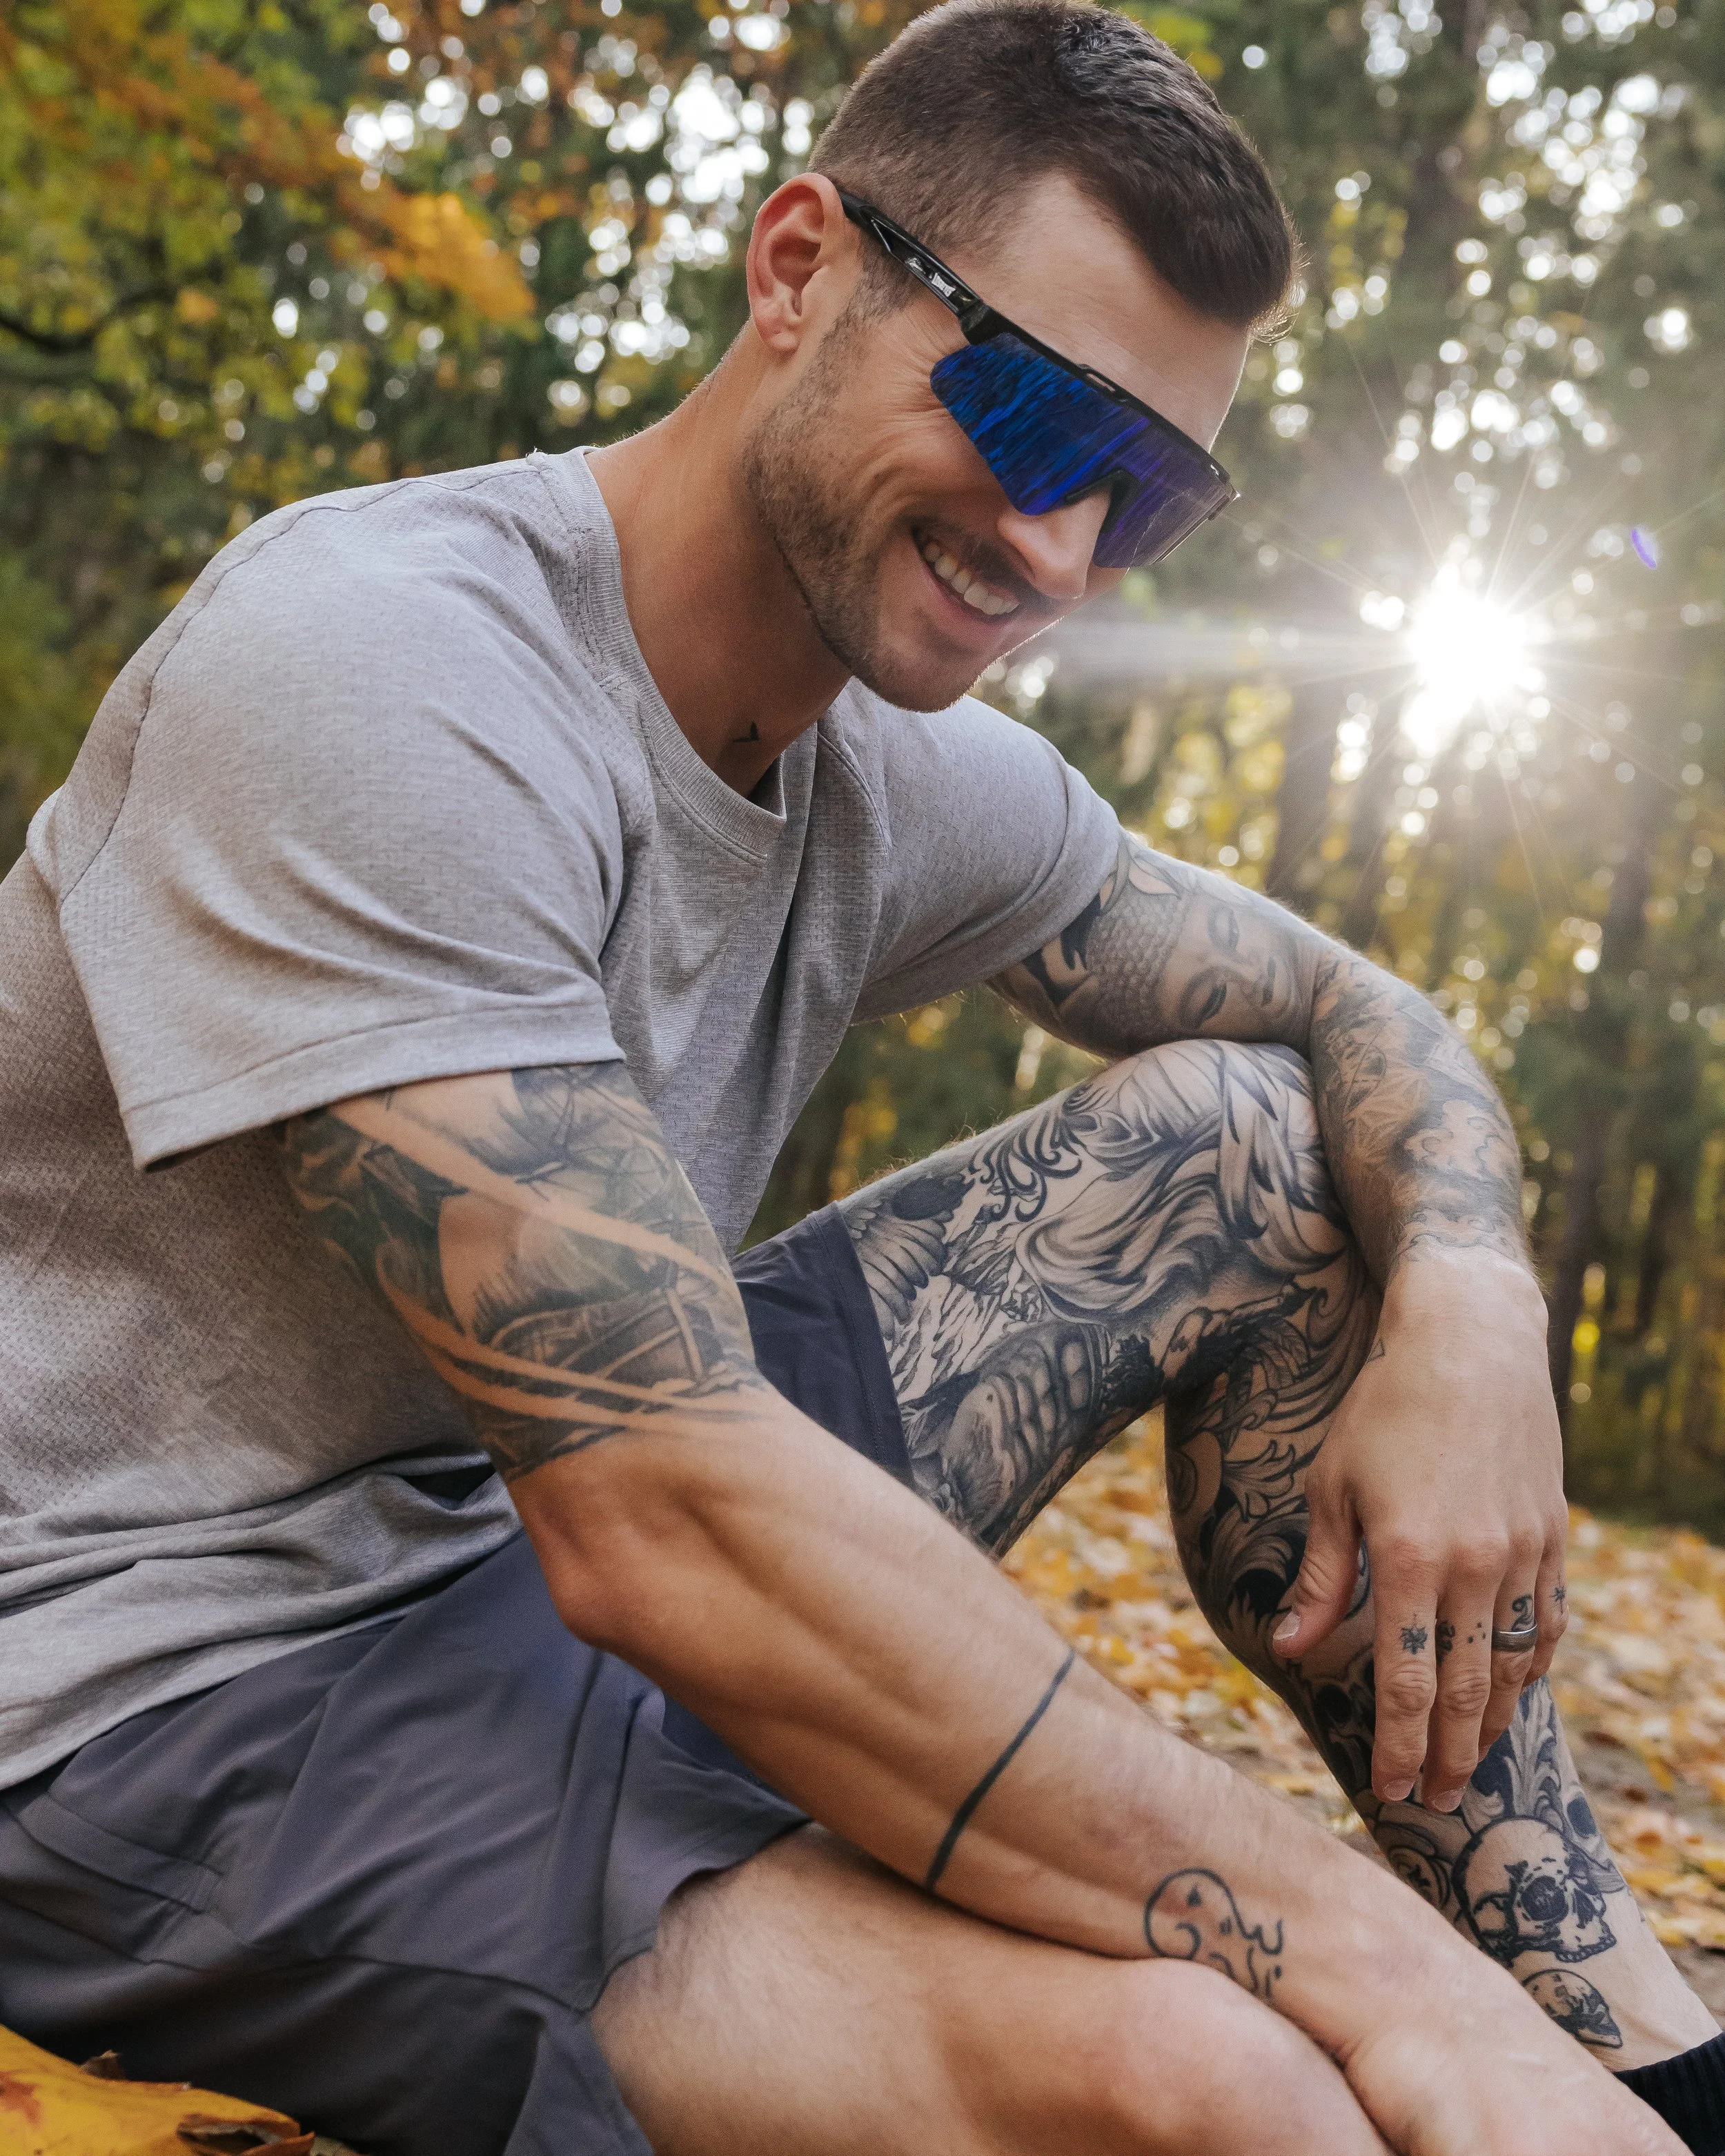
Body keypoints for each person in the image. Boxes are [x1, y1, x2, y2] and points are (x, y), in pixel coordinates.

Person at [1, 3, 1721, 2150]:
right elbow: (662, 1522)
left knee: (1259, 1148)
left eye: (1149, 488)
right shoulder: (380, 670)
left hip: (528, 1540)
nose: (1066, 548)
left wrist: (1474, 1297)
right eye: (1022, 402)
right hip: (149, 1691)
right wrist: (1386, 1981)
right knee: (1212, 2080)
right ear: (796, 264)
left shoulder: (905, 773)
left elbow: (1356, 1015)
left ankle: (1649, 2050)